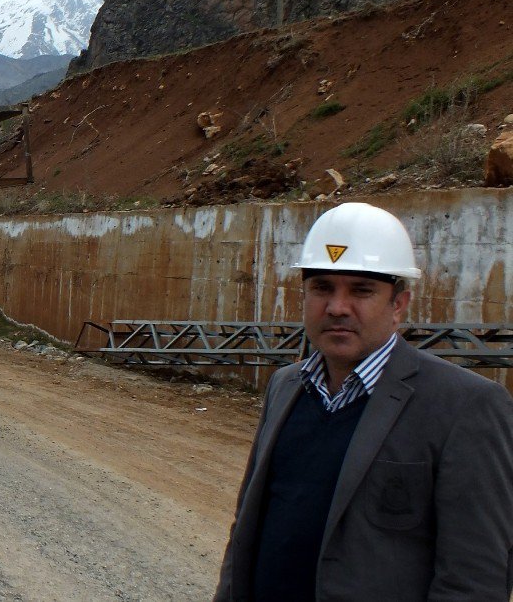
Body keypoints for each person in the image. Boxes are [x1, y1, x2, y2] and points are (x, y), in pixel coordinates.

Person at [215, 202, 513, 601]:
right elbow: (247, 531)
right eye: (322, 288)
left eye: (361, 290)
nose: (337, 307)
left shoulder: (466, 406)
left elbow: (476, 578)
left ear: (398, 306)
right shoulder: (286, 387)